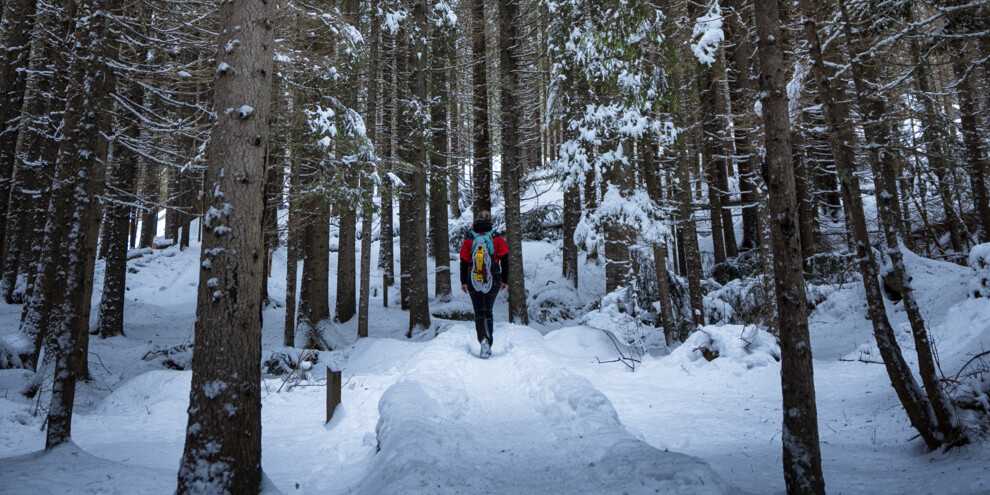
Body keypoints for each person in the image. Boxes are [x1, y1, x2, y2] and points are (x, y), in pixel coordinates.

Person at [460, 211, 508, 358]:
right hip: (492, 276)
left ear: (476, 221)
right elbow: (505, 259)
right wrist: (504, 279)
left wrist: (463, 281)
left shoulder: (470, 238)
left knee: (479, 312)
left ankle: (483, 339)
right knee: (488, 312)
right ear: (490, 222)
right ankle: (488, 342)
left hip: (473, 276)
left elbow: (463, 260)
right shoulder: (497, 237)